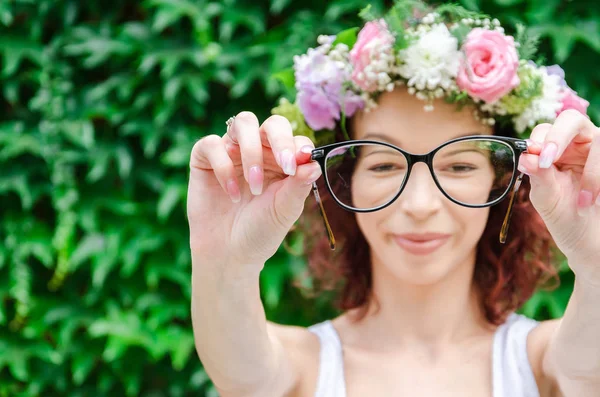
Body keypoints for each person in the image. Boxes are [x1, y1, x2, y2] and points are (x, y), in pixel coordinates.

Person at [188, 2, 600, 396]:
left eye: (459, 166)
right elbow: (243, 376)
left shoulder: (543, 365)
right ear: (342, 179)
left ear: (506, 179)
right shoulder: (299, 369)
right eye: (384, 165)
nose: (420, 206)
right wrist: (226, 263)